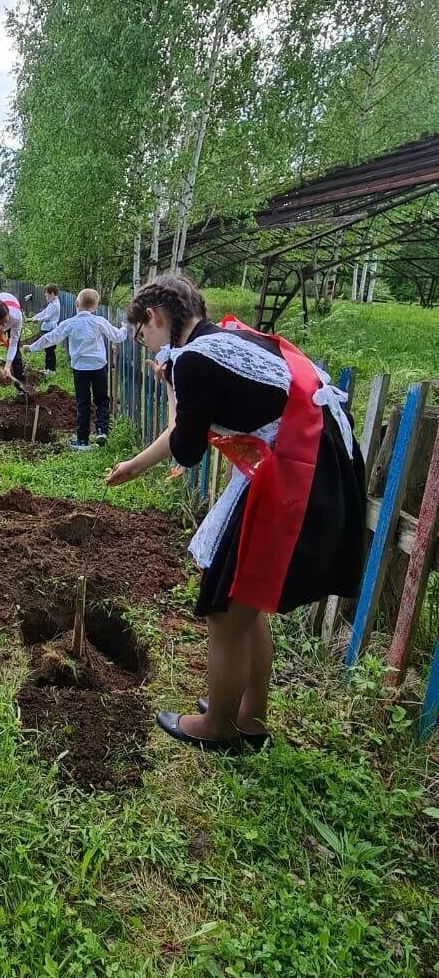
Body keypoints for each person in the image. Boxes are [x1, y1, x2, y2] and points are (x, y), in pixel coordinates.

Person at [105, 273, 366, 754]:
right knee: (246, 603)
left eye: (144, 334)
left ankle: (218, 726)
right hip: (309, 464)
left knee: (225, 611)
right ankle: (249, 717)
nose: (150, 346)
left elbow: (186, 448)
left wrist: (171, 386)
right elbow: (194, 431)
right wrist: (133, 467)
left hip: (294, 473)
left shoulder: (194, 358)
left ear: (155, 318)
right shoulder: (227, 339)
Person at [26, 288, 127, 449]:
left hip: (80, 368)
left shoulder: (70, 323)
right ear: (95, 307)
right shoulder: (99, 321)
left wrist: (32, 347)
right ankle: (102, 430)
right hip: (99, 366)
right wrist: (124, 328)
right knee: (102, 400)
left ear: (77, 304)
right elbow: (117, 337)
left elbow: (51, 337)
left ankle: (82, 440)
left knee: (83, 403)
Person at [30, 284, 61, 375]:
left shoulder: (55, 304)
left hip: (50, 329)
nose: (46, 297)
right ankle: (47, 368)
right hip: (46, 329)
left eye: (47, 295)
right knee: (47, 349)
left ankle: (51, 370)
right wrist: (34, 317)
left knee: (50, 349)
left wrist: (37, 320)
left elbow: (47, 317)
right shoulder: (51, 303)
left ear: (52, 293)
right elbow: (44, 312)